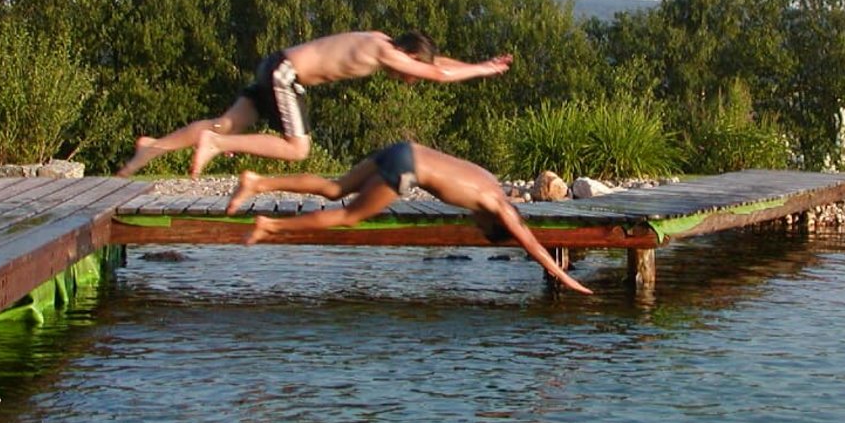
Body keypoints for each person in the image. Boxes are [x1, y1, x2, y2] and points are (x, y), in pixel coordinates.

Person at [117, 31, 512, 177]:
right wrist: (481, 70)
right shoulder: (384, 52)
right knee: (298, 148)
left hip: (274, 65)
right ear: (408, 56)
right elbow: (438, 74)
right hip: (285, 74)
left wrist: (482, 64)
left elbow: (437, 64)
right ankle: (216, 146)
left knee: (224, 123)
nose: (412, 79)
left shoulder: (380, 40)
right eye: (412, 71)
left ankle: (151, 149)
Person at [226, 141, 593, 295]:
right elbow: (531, 243)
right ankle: (270, 226)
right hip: (408, 169)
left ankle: (257, 182)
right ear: (494, 223)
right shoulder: (498, 208)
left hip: (404, 148)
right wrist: (565, 278)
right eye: (480, 228)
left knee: (335, 188)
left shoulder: (491, 182)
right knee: (349, 216)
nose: (473, 223)